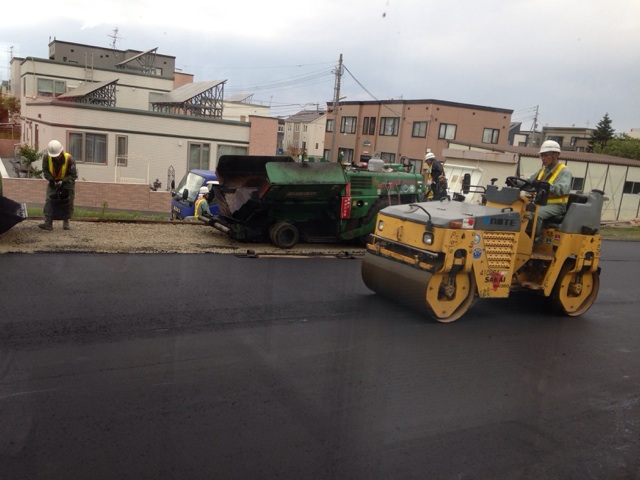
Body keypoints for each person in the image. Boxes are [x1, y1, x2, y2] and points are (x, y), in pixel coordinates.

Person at [528, 140, 572, 240]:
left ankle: (532, 240)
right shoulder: (543, 170)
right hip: (541, 203)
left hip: (556, 206)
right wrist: (516, 183)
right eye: (541, 156)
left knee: (535, 216)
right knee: (520, 210)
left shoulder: (564, 172)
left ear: (556, 155)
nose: (542, 158)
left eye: (545, 155)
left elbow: (562, 189)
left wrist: (543, 185)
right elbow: (529, 182)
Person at [39, 140, 78, 231]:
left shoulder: (70, 159)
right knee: (49, 199)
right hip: (53, 181)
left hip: (66, 182)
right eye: (54, 156)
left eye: (57, 156)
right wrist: (51, 179)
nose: (55, 158)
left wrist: (63, 181)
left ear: (61, 152)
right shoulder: (46, 157)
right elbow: (45, 170)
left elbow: (73, 175)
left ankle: (66, 222)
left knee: (68, 200)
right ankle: (48, 222)